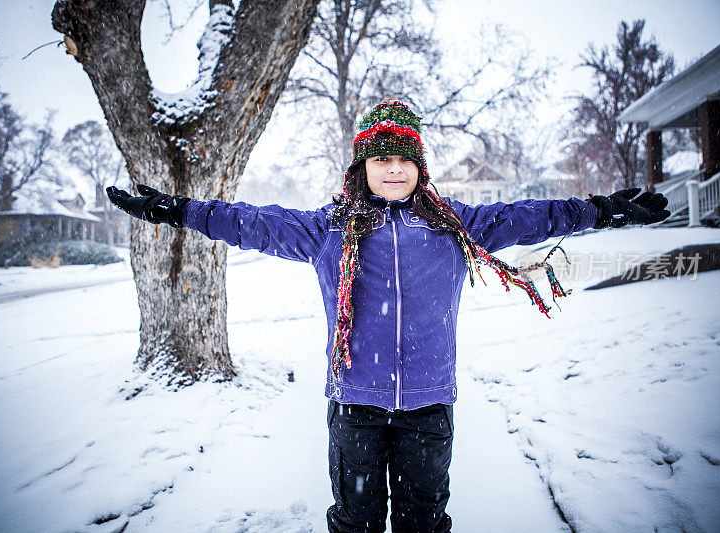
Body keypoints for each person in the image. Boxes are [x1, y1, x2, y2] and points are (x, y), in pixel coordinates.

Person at [107, 100, 670, 532]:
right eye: (383, 159)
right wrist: (177, 210)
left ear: (419, 167)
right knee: (356, 522)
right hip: (356, 404)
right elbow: (250, 221)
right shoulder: (327, 229)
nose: (394, 169)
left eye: (405, 159)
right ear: (363, 167)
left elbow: (531, 217)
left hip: (428, 404)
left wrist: (603, 210)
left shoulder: (455, 224)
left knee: (424, 522)